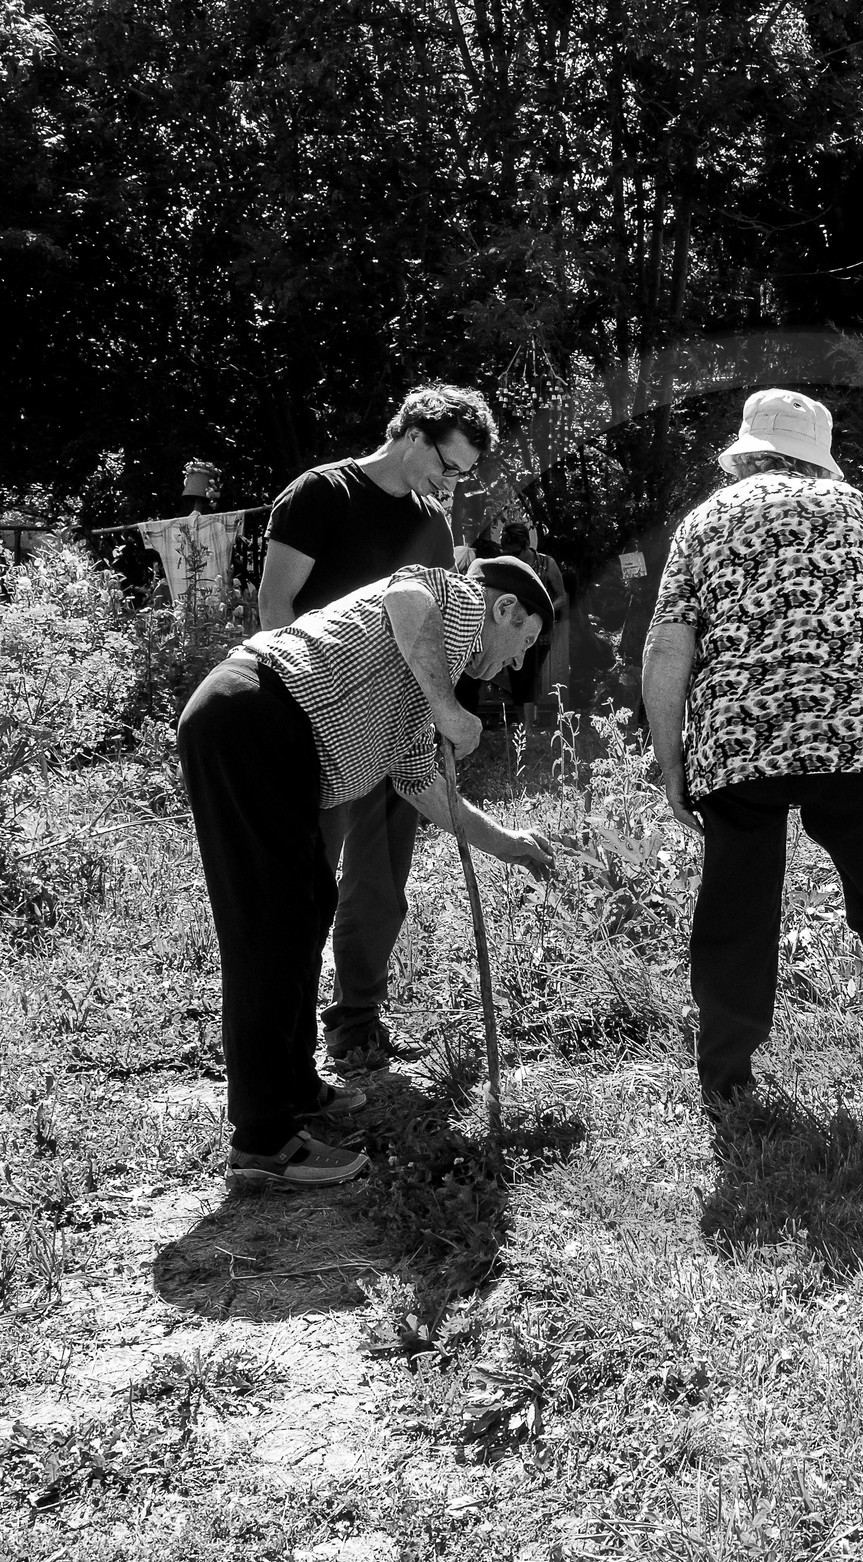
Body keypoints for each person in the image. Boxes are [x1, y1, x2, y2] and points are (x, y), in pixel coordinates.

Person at [177, 557, 556, 1187]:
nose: (518, 663)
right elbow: (406, 594)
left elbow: (423, 786)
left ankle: (295, 1088)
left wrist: (509, 844)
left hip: (264, 732)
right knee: (269, 931)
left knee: (302, 912)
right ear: (506, 609)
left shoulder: (418, 672)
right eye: (526, 642)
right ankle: (263, 1139)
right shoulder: (454, 602)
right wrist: (446, 706)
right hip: (253, 718)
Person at [641, 387, 863, 1117]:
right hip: (855, 729)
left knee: (736, 909)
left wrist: (671, 758)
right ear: (818, 456)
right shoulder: (855, 510)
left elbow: (666, 646)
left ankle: (727, 1080)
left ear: (744, 454)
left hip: (740, 738)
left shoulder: (705, 520)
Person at [257, 385, 495, 1068]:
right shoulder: (320, 494)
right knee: (307, 884)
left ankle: (355, 1019)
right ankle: (285, 1032)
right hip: (319, 724)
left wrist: (435, 708)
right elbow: (276, 603)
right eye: (448, 466)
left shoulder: (432, 521)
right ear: (413, 435)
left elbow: (433, 624)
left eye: (462, 476)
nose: (450, 484)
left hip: (395, 725)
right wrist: (304, 713)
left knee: (381, 882)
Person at [499, 522, 569, 726]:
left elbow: (562, 597)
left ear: (527, 544)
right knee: (516, 675)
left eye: (517, 552)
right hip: (512, 630)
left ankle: (529, 726)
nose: (514, 557)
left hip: (540, 632)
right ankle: (522, 725)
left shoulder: (547, 564)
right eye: (509, 553)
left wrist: (544, 610)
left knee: (530, 675)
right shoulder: (508, 565)